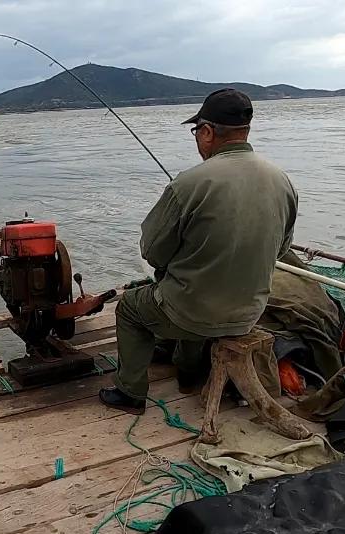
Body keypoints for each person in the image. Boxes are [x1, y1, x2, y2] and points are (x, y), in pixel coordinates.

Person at [99, 88, 298, 414]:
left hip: (194, 312)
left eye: (197, 131)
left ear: (207, 132)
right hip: (249, 311)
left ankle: (130, 392)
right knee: (192, 294)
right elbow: (281, 250)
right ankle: (189, 373)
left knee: (131, 309)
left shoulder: (188, 183)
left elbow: (152, 251)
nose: (196, 138)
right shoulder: (282, 180)